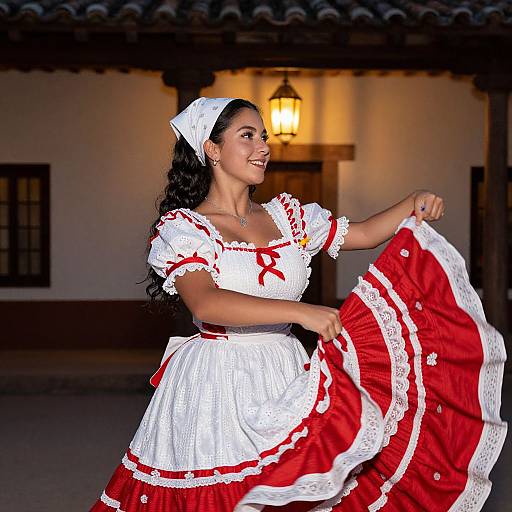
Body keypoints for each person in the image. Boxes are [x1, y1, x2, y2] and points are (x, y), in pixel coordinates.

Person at [91, 97, 507, 512]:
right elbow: (206, 303)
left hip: (286, 370)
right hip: (217, 380)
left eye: (264, 136)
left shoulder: (288, 217)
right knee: (225, 495)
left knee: (297, 489)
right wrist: (301, 311)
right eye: (247, 135)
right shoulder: (184, 227)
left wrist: (411, 202)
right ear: (212, 150)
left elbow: (360, 233)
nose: (263, 146)